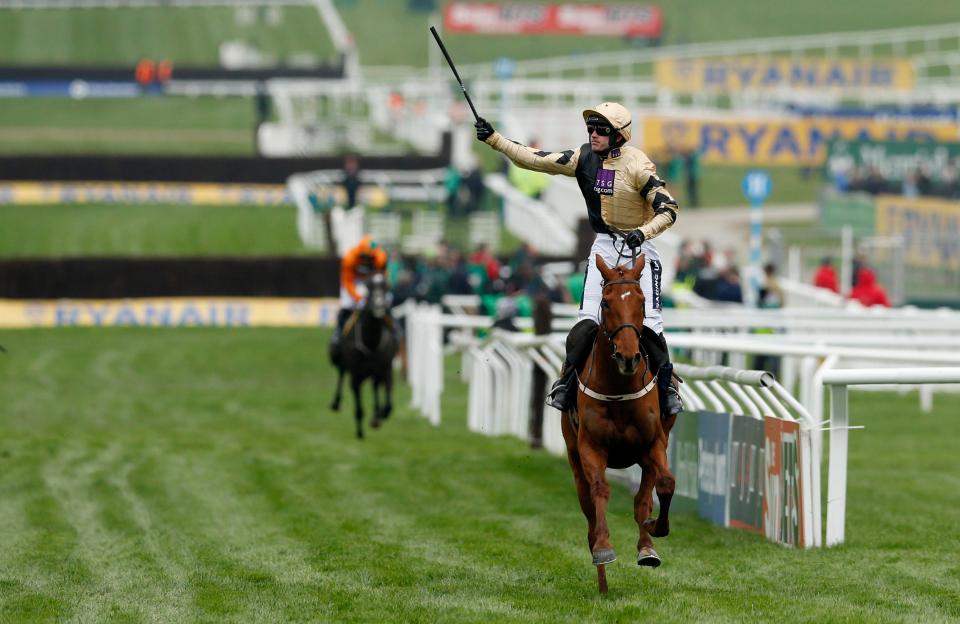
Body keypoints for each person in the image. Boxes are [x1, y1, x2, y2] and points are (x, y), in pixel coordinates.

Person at [474, 102, 683, 417]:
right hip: (603, 247)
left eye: (602, 129)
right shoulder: (582, 157)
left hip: (639, 249)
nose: (594, 134)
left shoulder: (639, 165)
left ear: (619, 135)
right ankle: (567, 382)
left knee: (650, 326)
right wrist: (495, 139)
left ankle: (667, 389)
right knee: (587, 321)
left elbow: (669, 209)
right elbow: (535, 159)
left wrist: (643, 232)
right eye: (591, 128)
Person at [331, 235, 388, 352]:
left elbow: (383, 277)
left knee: (384, 303)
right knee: (346, 306)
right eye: (364, 257)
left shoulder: (380, 257)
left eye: (369, 257)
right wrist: (357, 297)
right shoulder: (349, 258)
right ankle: (338, 333)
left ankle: (394, 329)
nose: (366, 261)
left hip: (371, 281)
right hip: (353, 281)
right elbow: (347, 282)